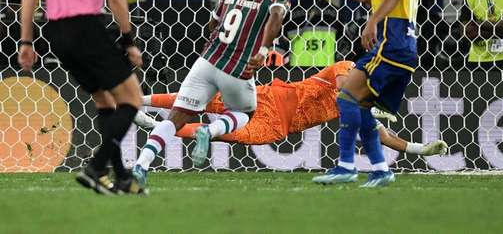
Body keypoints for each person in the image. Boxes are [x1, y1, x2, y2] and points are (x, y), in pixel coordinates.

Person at [18, 0, 145, 195]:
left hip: (56, 32)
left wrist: (26, 42)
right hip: (87, 26)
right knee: (133, 100)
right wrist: (128, 39)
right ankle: (96, 166)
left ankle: (122, 179)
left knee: (105, 101)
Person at [133, 0, 290, 186]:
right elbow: (276, 18)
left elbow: (212, 23)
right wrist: (264, 50)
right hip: (238, 67)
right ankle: (210, 130)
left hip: (207, 61)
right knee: (243, 114)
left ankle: (140, 164)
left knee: (175, 118)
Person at [135, 61, 448, 155]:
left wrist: (421, 149)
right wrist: (368, 107)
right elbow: (342, 88)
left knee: (228, 134)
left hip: (279, 125)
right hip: (276, 97)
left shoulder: (361, 107)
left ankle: (154, 126)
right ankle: (140, 102)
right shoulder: (347, 68)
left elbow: (383, 136)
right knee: (205, 100)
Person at [313, 0, 419, 187]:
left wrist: (371, 21)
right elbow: (397, 0)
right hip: (407, 49)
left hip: (389, 47)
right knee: (362, 106)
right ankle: (381, 169)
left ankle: (346, 165)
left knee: (347, 97)